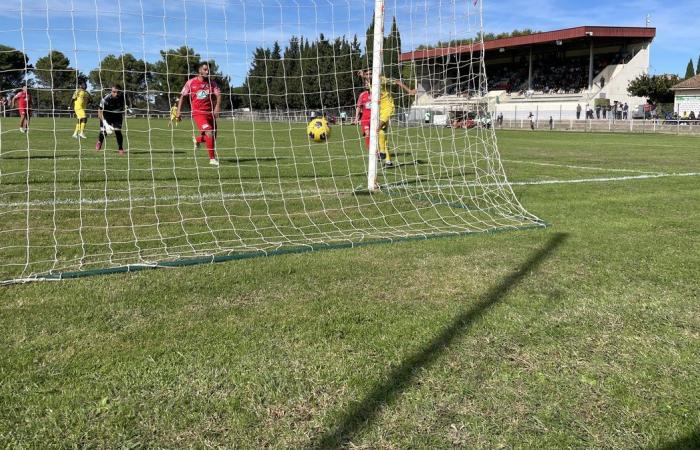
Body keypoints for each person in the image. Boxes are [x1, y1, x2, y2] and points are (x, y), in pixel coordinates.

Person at [354, 69, 415, 169]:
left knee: (377, 128)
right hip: (379, 110)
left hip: (388, 108)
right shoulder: (369, 84)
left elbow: (397, 81)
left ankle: (381, 152)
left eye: (370, 73)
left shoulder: (381, 80)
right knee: (381, 132)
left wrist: (409, 91)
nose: (368, 75)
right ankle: (386, 158)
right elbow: (367, 81)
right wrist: (362, 76)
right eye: (367, 74)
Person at [177, 62, 222, 166]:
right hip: (198, 113)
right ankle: (212, 159)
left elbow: (219, 95)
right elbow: (183, 96)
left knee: (212, 137)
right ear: (199, 70)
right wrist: (179, 111)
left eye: (208, 70)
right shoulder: (190, 82)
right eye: (205, 69)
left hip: (210, 113)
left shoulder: (212, 83)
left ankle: (196, 140)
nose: (208, 71)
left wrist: (217, 106)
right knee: (209, 132)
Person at [96, 84, 127, 155]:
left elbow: (127, 105)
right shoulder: (106, 98)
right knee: (104, 132)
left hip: (117, 115)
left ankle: (120, 148)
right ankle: (99, 142)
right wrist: (105, 124)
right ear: (111, 91)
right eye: (113, 92)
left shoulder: (123, 97)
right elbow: (99, 111)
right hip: (106, 116)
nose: (115, 94)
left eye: (117, 92)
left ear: (120, 92)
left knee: (118, 131)